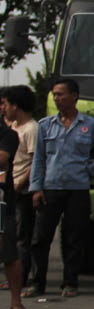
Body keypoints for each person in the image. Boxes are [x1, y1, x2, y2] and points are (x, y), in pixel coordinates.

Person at [23, 79, 94, 299]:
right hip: (50, 187)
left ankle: (70, 282)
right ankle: (37, 283)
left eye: (61, 94)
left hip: (78, 189)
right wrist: (36, 188)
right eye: (55, 95)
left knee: (74, 238)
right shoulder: (46, 125)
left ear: (74, 96)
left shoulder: (90, 125)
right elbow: (38, 159)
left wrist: (93, 168)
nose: (57, 98)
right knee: (40, 239)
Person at [2, 86, 37, 290]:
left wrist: (20, 183)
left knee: (21, 238)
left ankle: (22, 279)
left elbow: (34, 162)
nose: (4, 108)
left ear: (16, 105)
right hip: (9, 189)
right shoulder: (13, 128)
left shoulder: (31, 129)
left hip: (21, 191)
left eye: (6, 104)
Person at [0, 116, 25, 309]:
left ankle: (17, 302)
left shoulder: (8, 135)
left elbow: (1, 159)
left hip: (1, 202)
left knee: (9, 253)